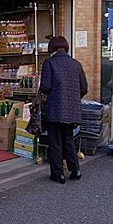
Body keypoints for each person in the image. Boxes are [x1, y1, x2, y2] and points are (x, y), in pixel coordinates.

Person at [40, 36, 88, 184]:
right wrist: (73, 98)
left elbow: (46, 86)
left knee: (55, 142)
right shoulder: (76, 64)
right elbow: (84, 88)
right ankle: (75, 170)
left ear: (51, 48)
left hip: (54, 108)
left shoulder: (49, 63)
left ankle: (58, 173)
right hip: (72, 109)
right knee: (68, 140)